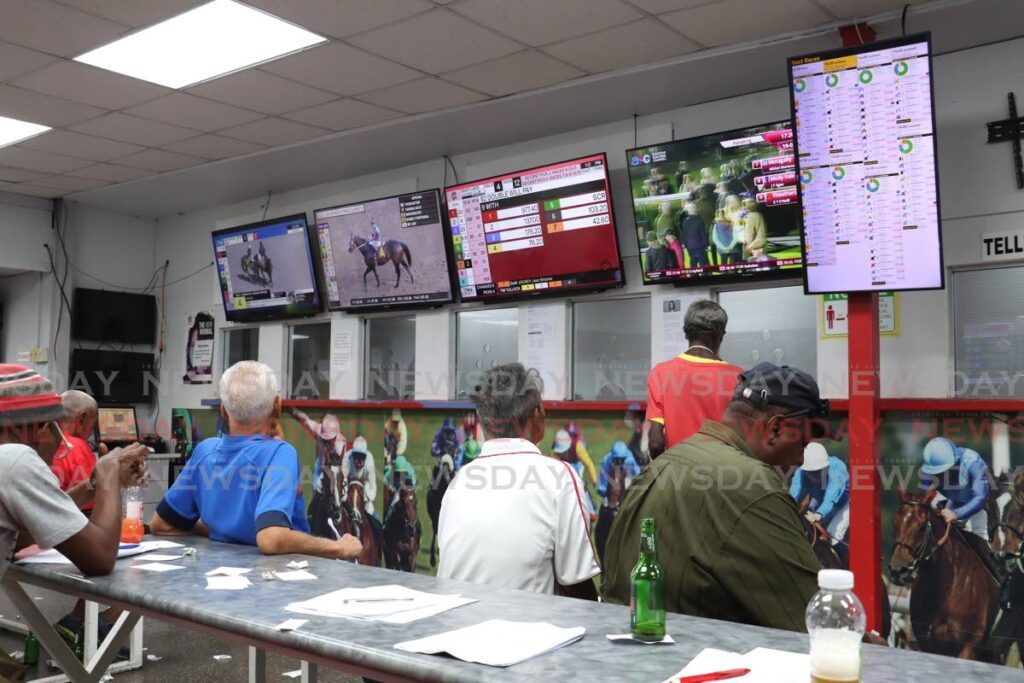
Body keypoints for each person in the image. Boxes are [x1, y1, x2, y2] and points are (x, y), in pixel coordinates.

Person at [603, 363, 832, 632]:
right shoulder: (754, 485)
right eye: (801, 444)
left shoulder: (661, 465)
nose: (800, 458)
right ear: (775, 429)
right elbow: (819, 620)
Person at [150, 361, 361, 561]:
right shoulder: (280, 453)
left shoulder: (204, 451)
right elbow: (271, 538)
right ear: (276, 409)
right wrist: (339, 547)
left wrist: (220, 531)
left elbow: (161, 524)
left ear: (223, 410)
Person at [437, 363, 600, 598]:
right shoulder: (560, 476)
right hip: (525, 631)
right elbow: (578, 588)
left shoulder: (459, 481)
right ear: (535, 414)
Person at [1, 364, 147, 576]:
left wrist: (91, 486)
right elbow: (100, 558)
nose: (62, 444)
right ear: (45, 429)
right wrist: (108, 474)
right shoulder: (15, 459)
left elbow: (24, 535)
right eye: (59, 431)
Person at [646, 300, 742, 459]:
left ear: (685, 332)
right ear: (720, 335)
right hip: (723, 474)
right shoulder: (739, 377)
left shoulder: (661, 373)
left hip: (680, 474)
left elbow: (655, 443)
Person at [919, 437, 992, 541]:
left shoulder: (973, 464)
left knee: (979, 538)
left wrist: (956, 514)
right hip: (954, 501)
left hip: (981, 506)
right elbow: (923, 499)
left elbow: (980, 498)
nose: (941, 475)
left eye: (945, 470)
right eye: (937, 473)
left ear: (955, 462)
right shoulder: (929, 469)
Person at [790, 442, 850, 563]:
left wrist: (819, 514)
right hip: (821, 502)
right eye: (810, 473)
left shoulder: (837, 469)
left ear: (826, 467)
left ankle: (852, 566)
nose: (813, 477)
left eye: (817, 472)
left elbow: (831, 496)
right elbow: (793, 494)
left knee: (833, 534)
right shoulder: (800, 471)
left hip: (846, 503)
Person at [51, 391, 103, 513]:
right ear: (82, 420)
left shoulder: (44, 444)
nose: (91, 432)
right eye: (93, 424)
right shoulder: (76, 446)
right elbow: (95, 504)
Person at [594, 441, 642, 565]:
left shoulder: (630, 460)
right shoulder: (606, 461)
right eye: (616, 460)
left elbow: (639, 479)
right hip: (608, 503)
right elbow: (602, 487)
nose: (619, 462)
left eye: (622, 460)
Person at [680, 202, 709, 268]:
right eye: (695, 208)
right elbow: (703, 235)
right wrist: (706, 245)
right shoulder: (699, 221)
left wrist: (685, 245)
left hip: (690, 247)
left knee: (693, 265)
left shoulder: (685, 222)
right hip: (700, 246)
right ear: (694, 210)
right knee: (704, 265)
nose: (697, 209)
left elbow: (684, 235)